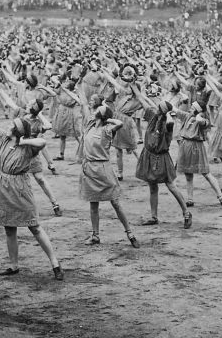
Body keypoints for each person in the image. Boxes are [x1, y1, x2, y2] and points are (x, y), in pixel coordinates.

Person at [0, 100, 65, 281]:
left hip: (20, 187)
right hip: (3, 186)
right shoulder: (3, 137)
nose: (8, 126)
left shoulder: (29, 148)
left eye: (12, 125)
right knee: (9, 228)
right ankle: (14, 265)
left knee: (34, 226)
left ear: (17, 131)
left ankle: (55, 263)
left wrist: (24, 141)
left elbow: (43, 141)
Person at [63, 87, 139, 247]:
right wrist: (79, 86)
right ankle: (95, 235)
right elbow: (83, 103)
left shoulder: (107, 129)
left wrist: (108, 117)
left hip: (103, 169)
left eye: (100, 109)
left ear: (103, 115)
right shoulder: (89, 125)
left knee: (115, 203)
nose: (97, 109)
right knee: (93, 204)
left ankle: (130, 232)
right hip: (89, 169)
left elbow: (119, 123)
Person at [130, 85, 192, 229]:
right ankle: (154, 217)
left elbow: (170, 121)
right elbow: (141, 99)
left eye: (159, 108)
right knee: (152, 187)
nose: (156, 108)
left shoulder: (167, 123)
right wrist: (134, 86)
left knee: (170, 185)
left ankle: (186, 212)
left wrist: (167, 112)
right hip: (149, 155)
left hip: (161, 158)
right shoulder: (153, 114)